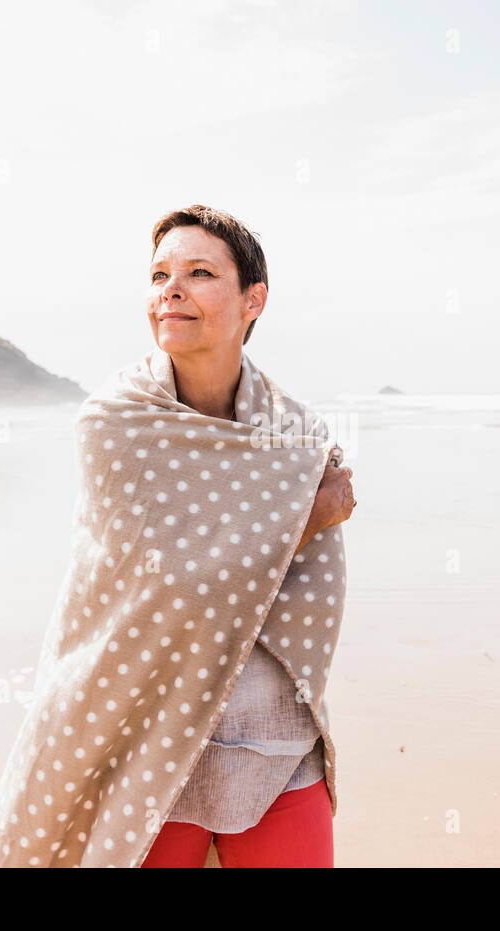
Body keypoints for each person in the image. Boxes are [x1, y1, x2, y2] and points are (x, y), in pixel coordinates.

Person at [136, 204, 355, 866]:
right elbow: (160, 588)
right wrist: (303, 519)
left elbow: (310, 594)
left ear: (252, 299)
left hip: (276, 742)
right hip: (148, 748)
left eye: (199, 272)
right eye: (159, 274)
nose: (171, 288)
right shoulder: (119, 429)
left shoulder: (296, 435)